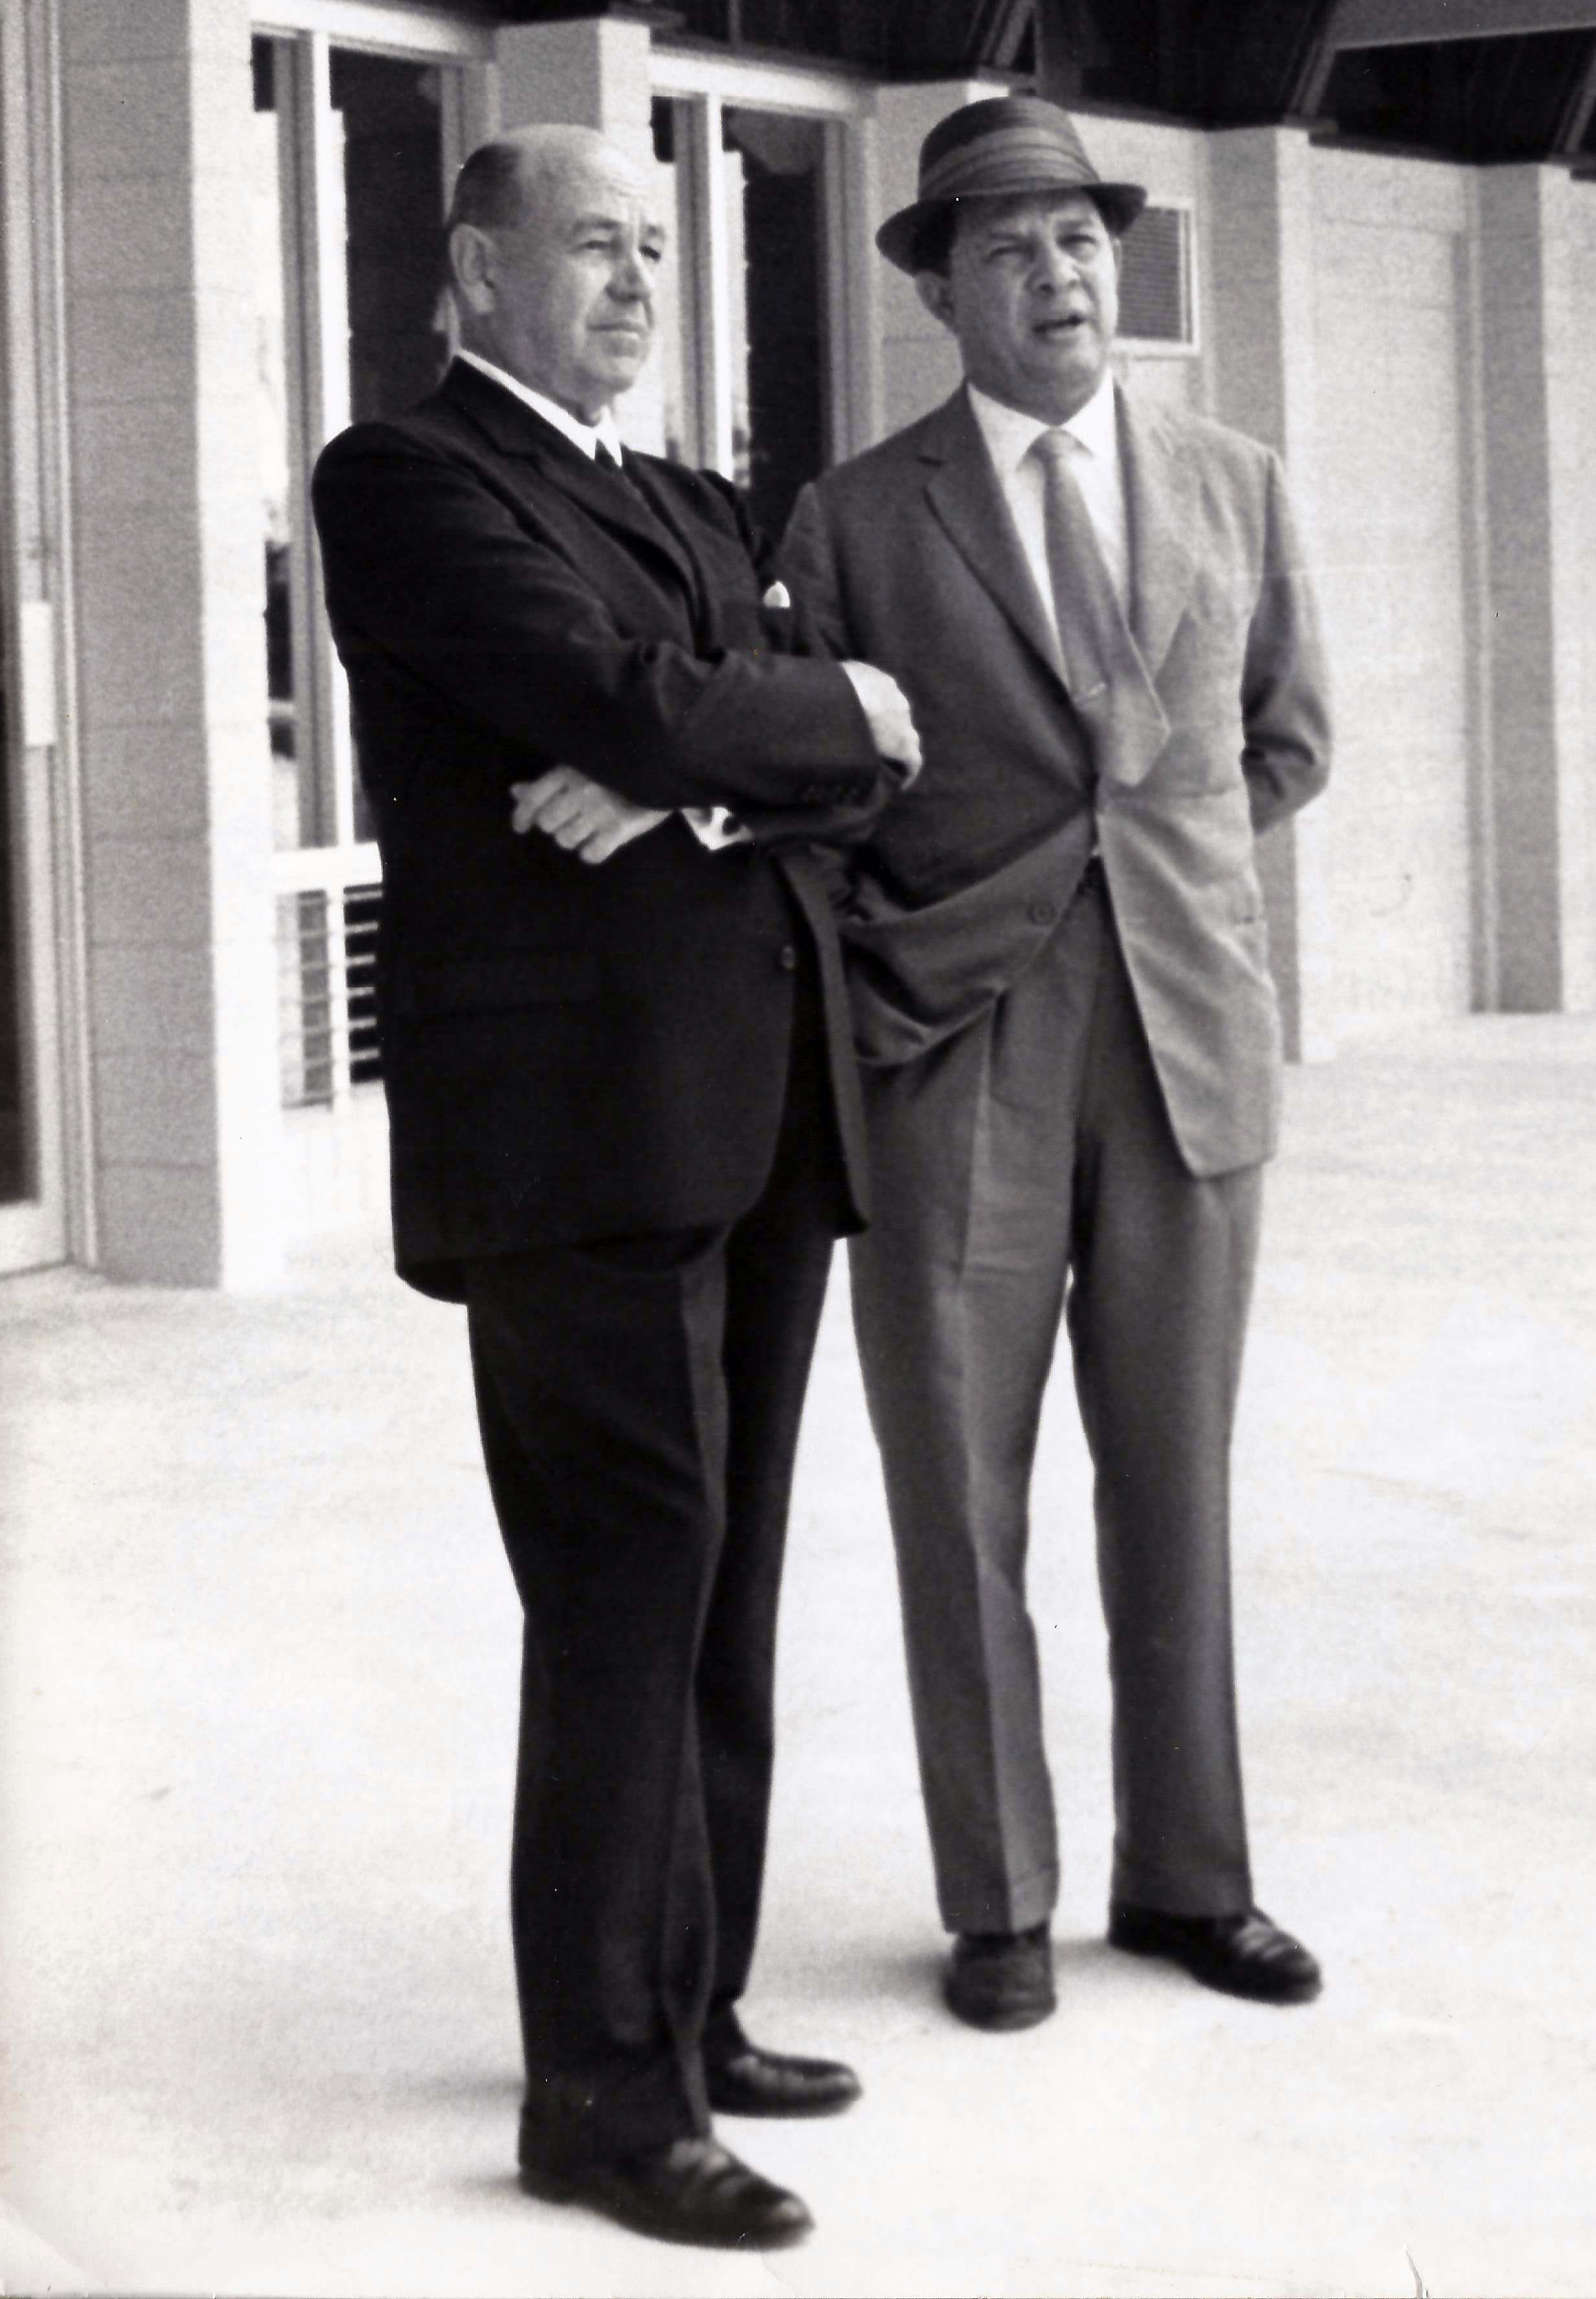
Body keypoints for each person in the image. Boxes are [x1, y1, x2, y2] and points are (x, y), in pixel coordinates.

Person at [308, 126, 925, 2253]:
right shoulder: (409, 481)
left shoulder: (680, 495)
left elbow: (808, 765)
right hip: (573, 1141)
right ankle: (598, 2096)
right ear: (475, 274)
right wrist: (777, 713)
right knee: (619, 1599)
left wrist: (700, 776)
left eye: (655, 246)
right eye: (592, 245)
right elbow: (607, 695)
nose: (639, 280)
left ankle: (696, 2002)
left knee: (728, 1580)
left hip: (748, 1115)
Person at [775, 95, 1332, 2035]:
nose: (1056, 272)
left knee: (1176, 1482)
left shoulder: (1235, 481)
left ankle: (1190, 1883)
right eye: (1005, 245)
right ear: (940, 287)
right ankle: (996, 1900)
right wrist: (938, 949)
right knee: (962, 1494)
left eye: (1080, 238)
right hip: (956, 1043)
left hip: (1187, 1037)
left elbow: (1284, 744)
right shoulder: (854, 517)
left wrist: (1155, 882)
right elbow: (817, 804)